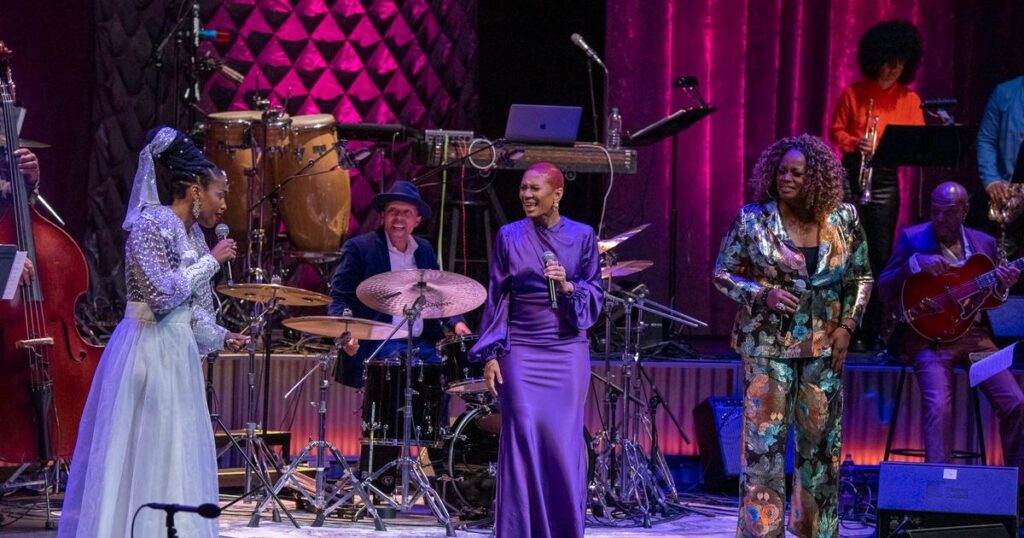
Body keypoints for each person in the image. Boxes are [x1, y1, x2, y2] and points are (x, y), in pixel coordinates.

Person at [58, 127, 249, 537]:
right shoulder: (150, 225)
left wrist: (221, 334)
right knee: (143, 447)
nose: (224, 204)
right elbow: (162, 296)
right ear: (195, 190)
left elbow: (192, 314)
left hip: (178, 352)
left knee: (172, 449)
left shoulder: (195, 236)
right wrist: (211, 263)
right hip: (147, 349)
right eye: (219, 194)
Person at [713, 134, 872, 537]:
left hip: (825, 349)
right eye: (782, 171)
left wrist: (847, 328)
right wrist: (761, 294)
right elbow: (721, 273)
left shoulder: (844, 218)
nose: (786, 178)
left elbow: (861, 276)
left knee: (819, 454)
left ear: (816, 178)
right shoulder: (753, 219)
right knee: (763, 454)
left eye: (796, 173)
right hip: (768, 348)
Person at [470, 162, 602, 538]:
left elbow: (595, 293)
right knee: (523, 435)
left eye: (535, 189)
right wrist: (491, 353)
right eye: (523, 188)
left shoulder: (583, 236)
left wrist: (569, 287)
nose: (527, 195)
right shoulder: (509, 236)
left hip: (566, 350)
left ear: (557, 194)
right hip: (522, 350)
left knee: (562, 444)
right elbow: (497, 298)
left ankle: (562, 530)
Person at [877, 182, 1024, 478]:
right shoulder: (913, 238)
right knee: (938, 410)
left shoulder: (984, 243)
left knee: (1016, 402)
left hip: (976, 340)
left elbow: (991, 297)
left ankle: (1017, 492)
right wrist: (913, 264)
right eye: (935, 212)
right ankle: (940, 498)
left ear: (965, 211)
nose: (940, 219)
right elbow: (883, 287)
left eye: (948, 212)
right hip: (930, 340)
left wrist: (1004, 284)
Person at [829, 19, 924, 350]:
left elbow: (916, 141)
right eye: (887, 62)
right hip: (851, 175)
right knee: (849, 253)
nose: (892, 70)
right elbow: (836, 131)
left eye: (899, 64)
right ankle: (844, 327)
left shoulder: (910, 100)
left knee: (879, 254)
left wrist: (882, 145)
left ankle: (871, 330)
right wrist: (857, 142)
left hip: (883, 180)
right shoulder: (854, 93)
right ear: (876, 60)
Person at [327, 180, 471, 386]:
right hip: (380, 343)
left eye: (407, 213)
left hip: (421, 342)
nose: (399, 218)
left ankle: (436, 420)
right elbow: (340, 298)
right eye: (393, 211)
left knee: (445, 371)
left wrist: (457, 322)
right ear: (382, 216)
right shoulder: (360, 248)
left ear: (417, 220)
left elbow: (437, 293)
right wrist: (345, 333)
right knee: (401, 373)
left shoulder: (424, 249)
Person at [977, 75, 1024, 259]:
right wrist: (991, 180)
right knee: (1000, 269)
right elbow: (986, 139)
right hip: (1009, 196)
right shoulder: (1004, 92)